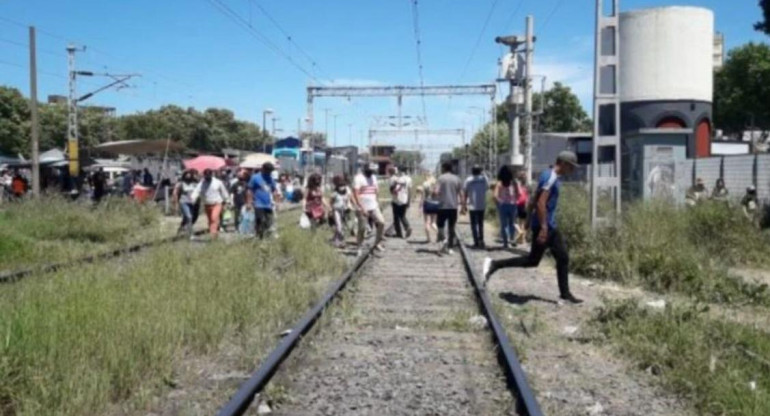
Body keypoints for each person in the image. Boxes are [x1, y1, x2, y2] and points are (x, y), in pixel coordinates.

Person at [482, 151, 584, 304]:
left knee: (558, 257)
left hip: (547, 224)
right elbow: (541, 202)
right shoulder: (551, 177)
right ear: (563, 163)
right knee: (535, 260)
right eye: (571, 166)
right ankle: (494, 264)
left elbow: (533, 200)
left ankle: (565, 293)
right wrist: (543, 227)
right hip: (546, 225)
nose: (572, 170)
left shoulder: (547, 175)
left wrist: (529, 220)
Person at [353, 163, 385, 252]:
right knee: (362, 228)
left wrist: (378, 202)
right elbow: (355, 193)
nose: (372, 172)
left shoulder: (374, 177)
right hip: (362, 207)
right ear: (365, 169)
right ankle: (359, 246)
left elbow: (376, 190)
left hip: (373, 205)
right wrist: (361, 207)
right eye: (370, 170)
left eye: (373, 171)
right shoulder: (358, 178)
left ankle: (377, 243)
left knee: (381, 222)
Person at [191, 169, 229, 239]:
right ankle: (215, 234)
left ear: (211, 174)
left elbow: (224, 192)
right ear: (204, 175)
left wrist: (227, 201)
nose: (207, 176)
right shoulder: (202, 183)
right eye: (206, 175)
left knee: (214, 218)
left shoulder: (218, 182)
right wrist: (193, 198)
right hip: (207, 204)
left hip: (217, 203)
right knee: (210, 220)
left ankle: (212, 235)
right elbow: (196, 191)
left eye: (209, 174)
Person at [246, 162, 281, 239]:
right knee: (259, 220)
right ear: (263, 169)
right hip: (258, 203)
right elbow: (249, 191)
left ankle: (266, 237)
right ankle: (259, 237)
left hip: (268, 204)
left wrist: (277, 203)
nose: (269, 172)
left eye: (270, 171)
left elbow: (274, 191)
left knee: (269, 222)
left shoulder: (270, 179)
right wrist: (249, 202)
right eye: (267, 171)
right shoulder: (255, 177)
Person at [436, 162, 463, 255]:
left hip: (442, 206)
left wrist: (435, 194)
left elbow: (436, 192)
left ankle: (443, 241)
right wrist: (463, 205)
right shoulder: (457, 178)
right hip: (453, 206)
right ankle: (450, 247)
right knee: (451, 227)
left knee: (440, 226)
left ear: (444, 168)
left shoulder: (441, 178)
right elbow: (461, 193)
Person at [462, 165, 489, 248]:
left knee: (473, 224)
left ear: (472, 171)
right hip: (481, 205)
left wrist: (464, 205)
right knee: (481, 224)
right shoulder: (484, 179)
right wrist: (484, 173)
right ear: (480, 171)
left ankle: (476, 241)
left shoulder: (468, 180)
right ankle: (481, 240)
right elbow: (488, 187)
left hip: (472, 206)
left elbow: (465, 193)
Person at [494, 165, 520, 249]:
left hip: (503, 205)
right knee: (512, 223)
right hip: (513, 204)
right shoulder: (514, 182)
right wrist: (515, 200)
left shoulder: (499, 183)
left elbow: (495, 196)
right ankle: (512, 239)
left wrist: (499, 202)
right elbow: (519, 193)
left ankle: (506, 243)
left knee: (504, 225)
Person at [173, 170, 200, 236]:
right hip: (184, 202)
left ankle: (182, 228)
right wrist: (176, 204)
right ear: (184, 175)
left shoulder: (195, 183)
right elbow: (175, 193)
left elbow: (200, 190)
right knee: (189, 217)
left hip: (193, 203)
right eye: (186, 174)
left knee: (192, 218)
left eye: (189, 174)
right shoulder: (180, 183)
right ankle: (190, 233)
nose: (188, 175)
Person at [389, 166, 413, 239]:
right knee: (402, 215)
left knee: (396, 217)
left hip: (396, 199)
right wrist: (409, 201)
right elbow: (410, 191)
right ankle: (407, 226)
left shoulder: (395, 178)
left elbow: (391, 189)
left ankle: (399, 232)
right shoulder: (409, 179)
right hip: (404, 199)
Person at [330, 175, 353, 247]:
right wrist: (330, 211)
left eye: (343, 185)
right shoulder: (335, 193)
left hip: (344, 211)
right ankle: (340, 240)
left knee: (342, 226)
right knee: (339, 226)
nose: (342, 187)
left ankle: (336, 240)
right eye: (340, 185)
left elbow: (349, 199)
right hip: (336, 210)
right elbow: (330, 202)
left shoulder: (347, 192)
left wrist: (350, 207)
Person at [418, 173, 439, 243]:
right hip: (435, 204)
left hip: (427, 204)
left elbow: (422, 197)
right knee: (433, 223)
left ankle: (428, 239)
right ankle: (439, 234)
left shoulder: (425, 184)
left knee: (427, 222)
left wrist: (420, 207)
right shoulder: (436, 183)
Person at [514, 172, 530, 246]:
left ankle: (521, 238)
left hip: (518, 204)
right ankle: (523, 239)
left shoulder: (517, 185)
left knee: (517, 222)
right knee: (523, 222)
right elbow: (528, 196)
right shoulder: (527, 185)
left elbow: (517, 193)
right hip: (524, 204)